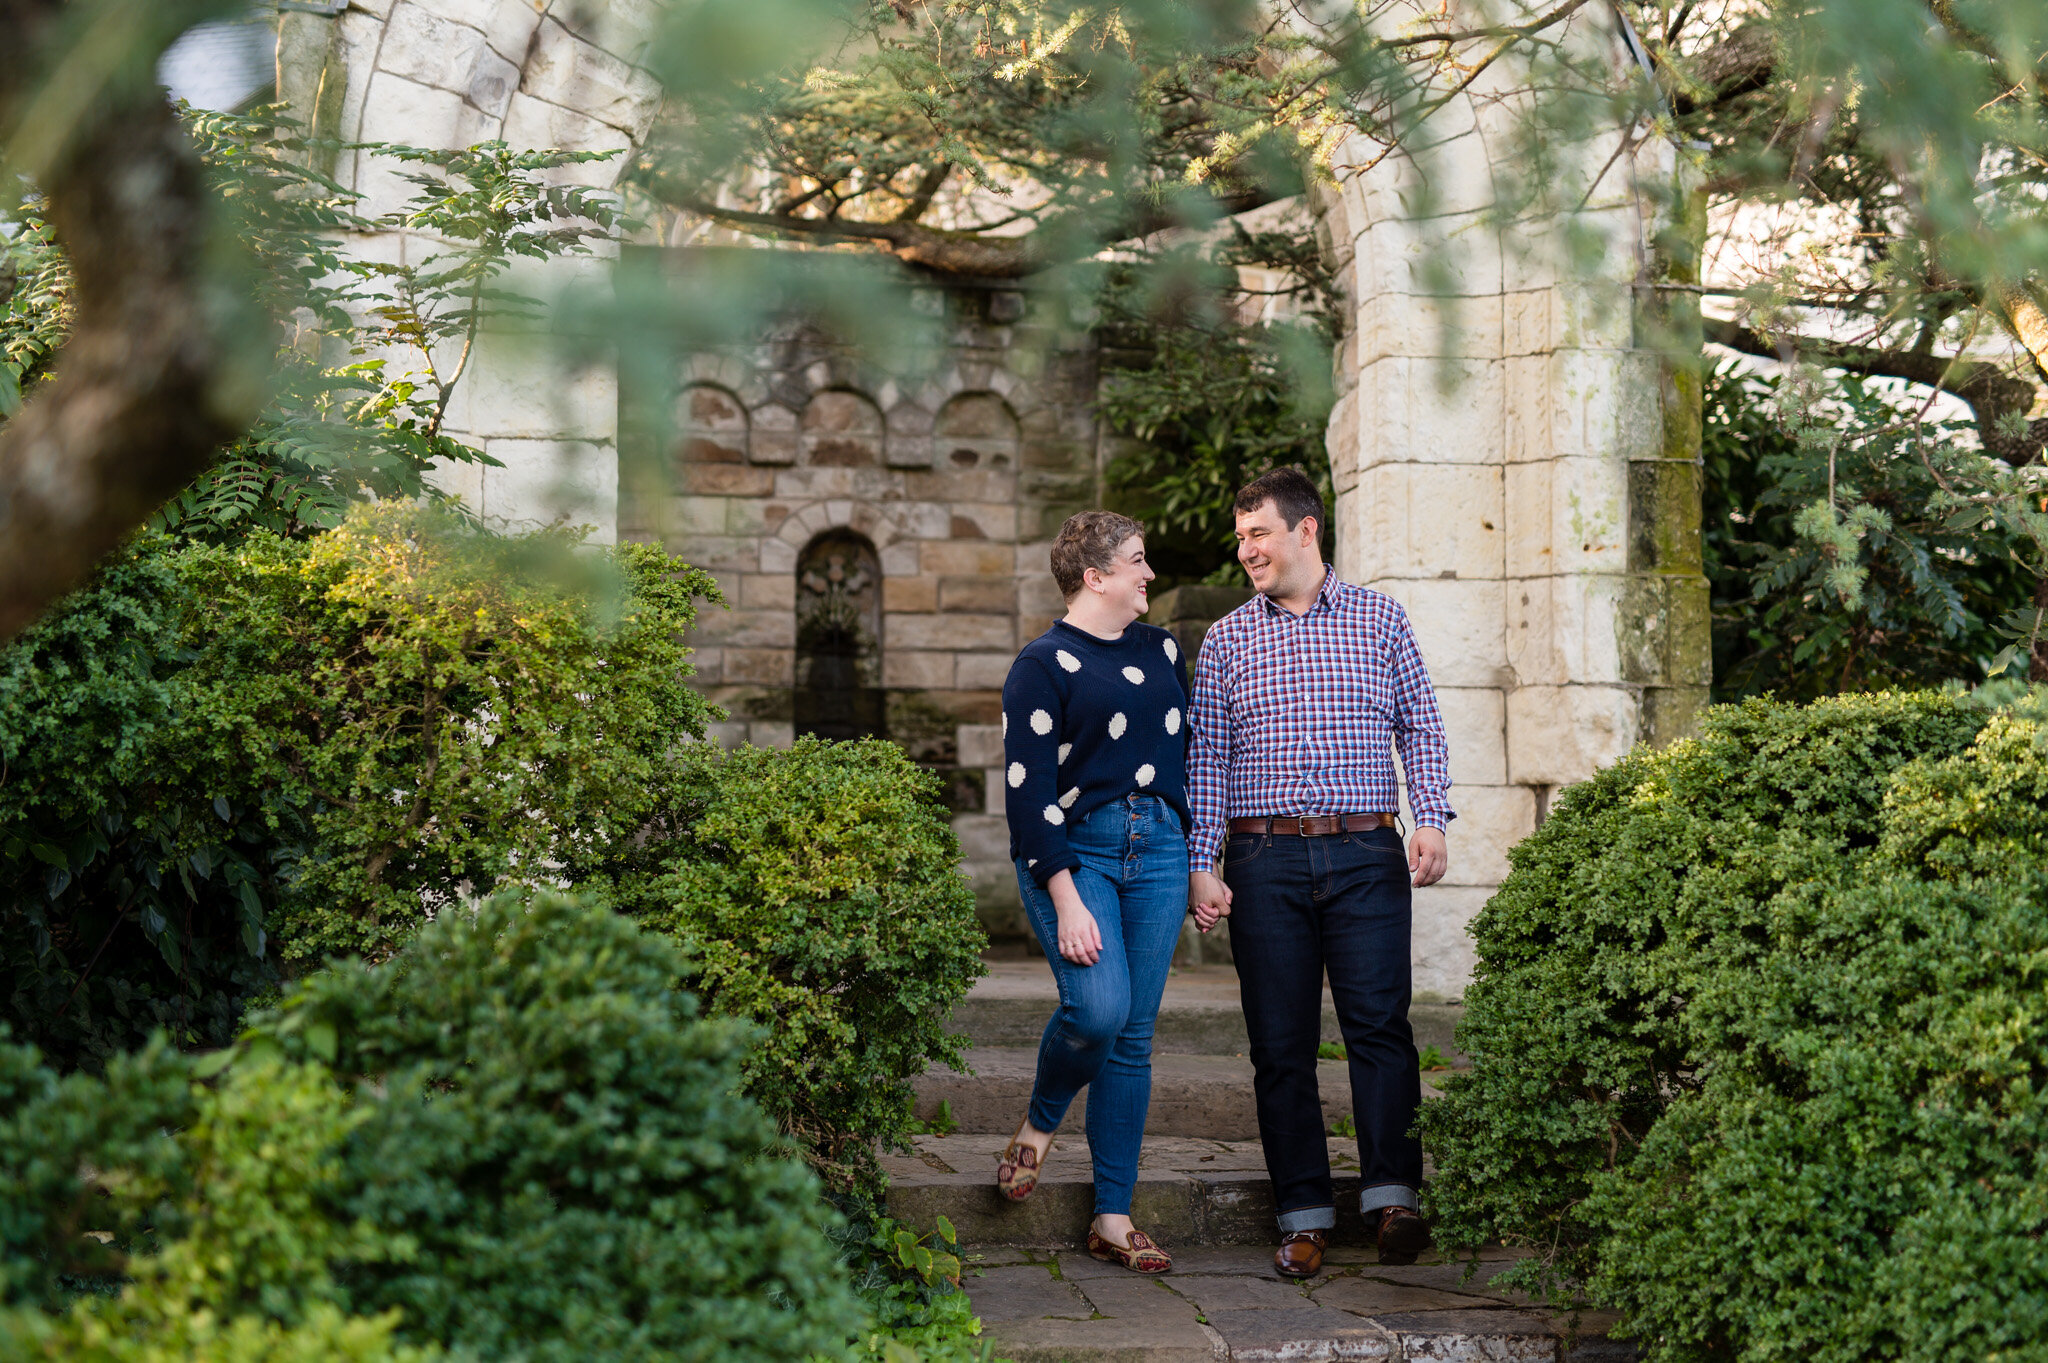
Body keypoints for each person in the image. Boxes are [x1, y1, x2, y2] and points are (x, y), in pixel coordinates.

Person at [1185, 466, 1453, 1279]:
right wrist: (1204, 863)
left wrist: (1431, 815)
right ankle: (1303, 1215)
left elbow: (1423, 725)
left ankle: (1393, 1199)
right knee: (1281, 1044)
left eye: (1258, 532)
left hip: (1367, 853)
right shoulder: (1228, 638)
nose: (1246, 549)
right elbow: (1208, 759)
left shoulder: (1380, 619)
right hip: (1263, 859)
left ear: (1306, 530)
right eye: (1240, 537)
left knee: (1380, 1028)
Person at [995, 510, 1191, 1274]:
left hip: (1164, 852)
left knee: (1133, 1038)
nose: (1149, 575)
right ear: (1095, 576)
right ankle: (1042, 1120)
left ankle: (1112, 1215)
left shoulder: (1164, 648)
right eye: (1138, 562)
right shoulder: (1040, 665)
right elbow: (1027, 793)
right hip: (1078, 853)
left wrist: (1201, 861)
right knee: (1098, 1008)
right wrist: (1067, 895)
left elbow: (1187, 762)